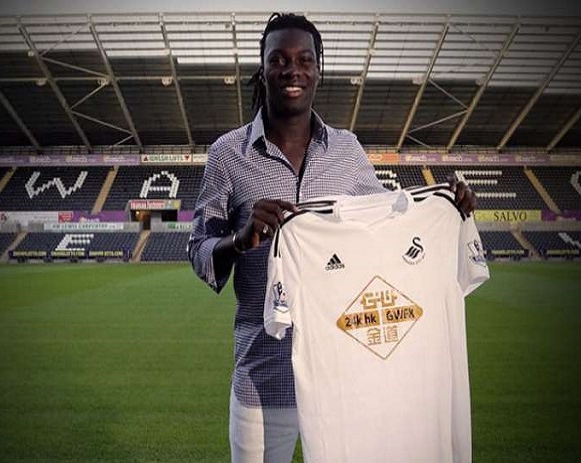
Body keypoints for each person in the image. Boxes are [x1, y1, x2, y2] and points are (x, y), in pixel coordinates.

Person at [188, 12, 476, 463]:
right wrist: (241, 240)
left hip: (344, 380)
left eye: (304, 59)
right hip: (264, 379)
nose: (292, 70)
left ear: (318, 69)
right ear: (262, 69)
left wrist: (446, 208)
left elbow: (386, 228)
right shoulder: (227, 155)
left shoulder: (347, 150)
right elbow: (200, 251)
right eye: (279, 59)